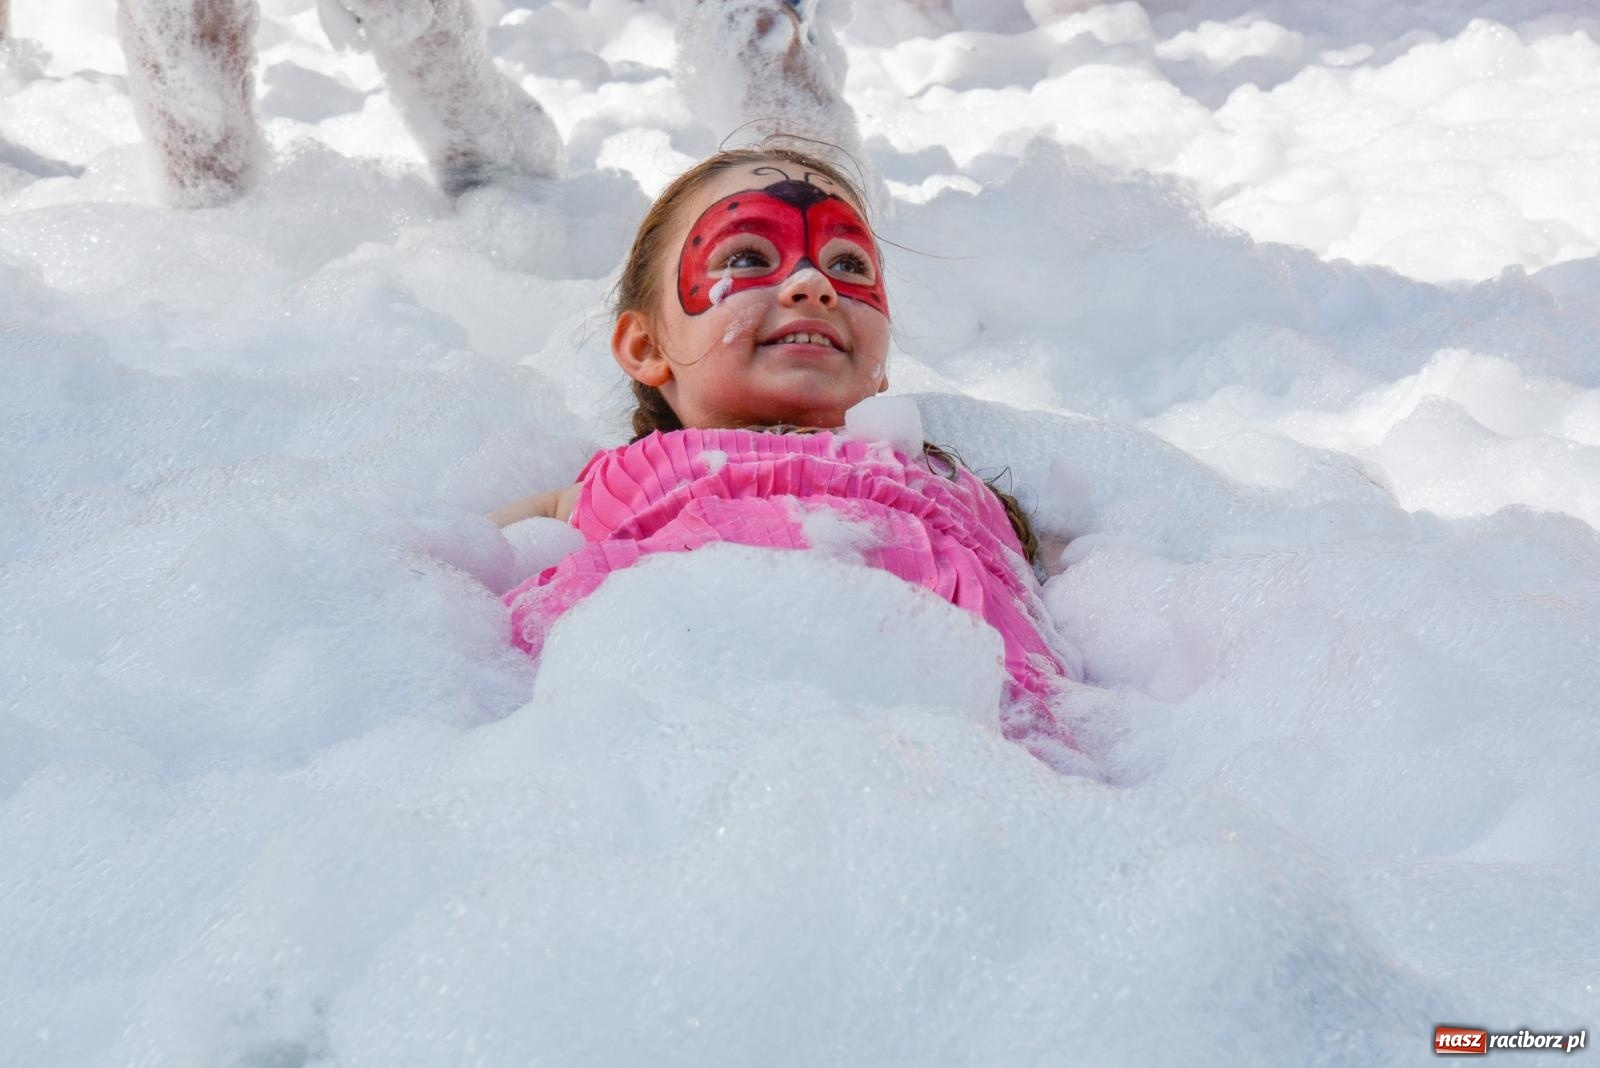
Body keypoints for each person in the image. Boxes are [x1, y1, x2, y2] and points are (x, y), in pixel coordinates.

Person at [490, 142, 1084, 768]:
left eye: (849, 265)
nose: (813, 284)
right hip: (685, 737)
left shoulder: (948, 485)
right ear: (645, 345)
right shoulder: (623, 482)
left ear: (883, 366)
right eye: (747, 256)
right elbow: (434, 575)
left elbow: (1105, 596)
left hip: (976, 751)